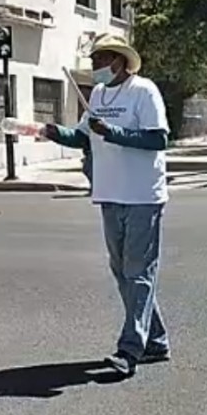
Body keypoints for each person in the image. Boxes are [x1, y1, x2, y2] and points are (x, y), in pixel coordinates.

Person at [42, 34, 171, 378]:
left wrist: (113, 131)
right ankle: (155, 340)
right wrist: (54, 132)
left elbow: (159, 138)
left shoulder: (143, 91)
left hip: (143, 196)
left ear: (118, 61)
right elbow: (83, 136)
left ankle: (129, 350)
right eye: (93, 59)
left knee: (138, 273)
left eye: (100, 59)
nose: (94, 66)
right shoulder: (97, 94)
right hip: (110, 194)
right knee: (123, 273)